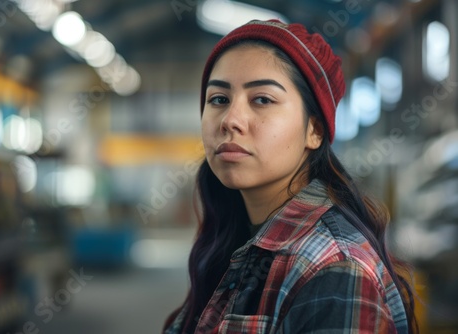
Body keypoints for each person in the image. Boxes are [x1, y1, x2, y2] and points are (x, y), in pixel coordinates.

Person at [163, 19, 417, 333]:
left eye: (262, 99)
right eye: (218, 99)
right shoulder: (234, 242)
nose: (230, 120)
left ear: (315, 130)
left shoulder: (336, 270)